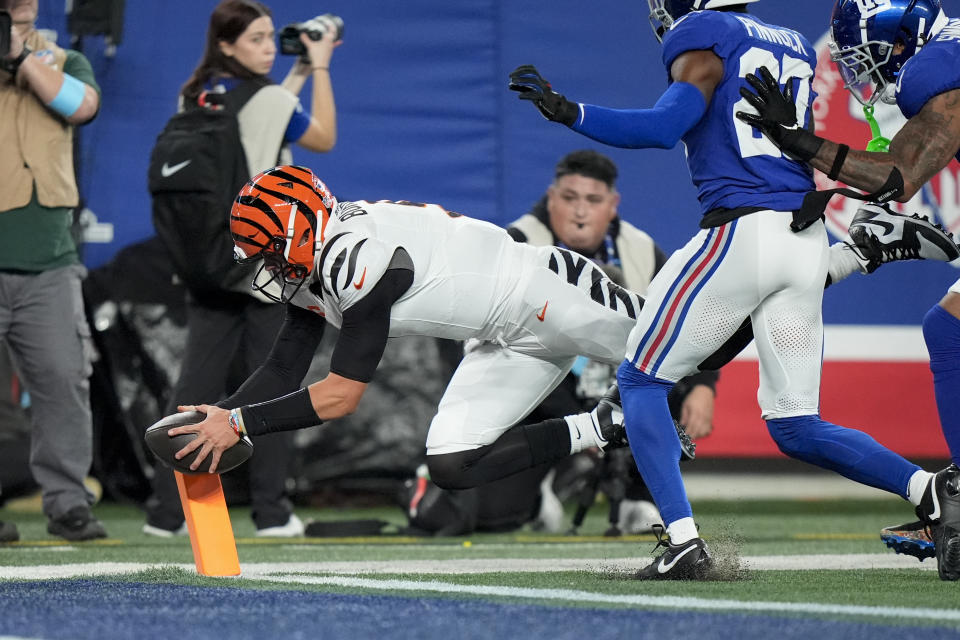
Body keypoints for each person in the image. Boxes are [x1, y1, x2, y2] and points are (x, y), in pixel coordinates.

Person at [508, 0, 959, 581]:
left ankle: (682, 543)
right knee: (795, 423)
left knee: (641, 378)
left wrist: (571, 111)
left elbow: (664, 127)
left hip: (743, 227)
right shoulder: (792, 41)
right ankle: (931, 491)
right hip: (801, 236)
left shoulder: (705, 32)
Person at [161, 165, 732, 515]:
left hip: (547, 294)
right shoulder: (312, 265)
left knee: (698, 347)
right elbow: (284, 368)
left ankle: (802, 268)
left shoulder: (354, 257)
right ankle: (605, 425)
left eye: (269, 252)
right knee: (453, 463)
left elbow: (340, 396)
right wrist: (222, 412)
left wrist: (236, 425)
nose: (266, 267)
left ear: (299, 231)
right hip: (500, 336)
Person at [735, 0, 960, 581]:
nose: (863, 74)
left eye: (867, 56)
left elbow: (899, 176)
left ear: (899, 35)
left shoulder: (936, 66)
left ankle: (958, 503)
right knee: (948, 329)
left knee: (950, 332)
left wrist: (797, 141)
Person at [142, 0, 341, 538]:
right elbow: (320, 136)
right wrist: (318, 64)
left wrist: (293, 74)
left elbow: (258, 131)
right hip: (261, 264)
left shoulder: (196, 94)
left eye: (273, 37)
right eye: (256, 39)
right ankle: (272, 513)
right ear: (227, 44)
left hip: (206, 259)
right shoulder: (272, 98)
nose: (269, 47)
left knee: (194, 384)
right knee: (275, 386)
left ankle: (166, 515)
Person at [0, 0, 106, 542]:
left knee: (65, 380)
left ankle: (67, 502)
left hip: (49, 261)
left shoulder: (62, 58)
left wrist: (19, 57)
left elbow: (81, 107)